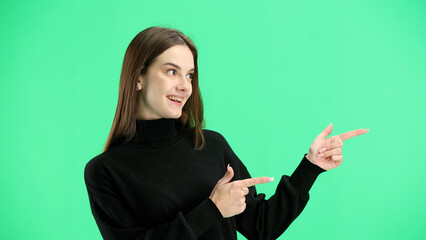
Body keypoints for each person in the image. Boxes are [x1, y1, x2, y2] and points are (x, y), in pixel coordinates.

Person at [84, 26, 369, 240]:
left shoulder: (211, 146)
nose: (185, 86)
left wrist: (310, 167)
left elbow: (262, 227)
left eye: (190, 75)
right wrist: (212, 210)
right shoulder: (105, 171)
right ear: (137, 78)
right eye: (171, 71)